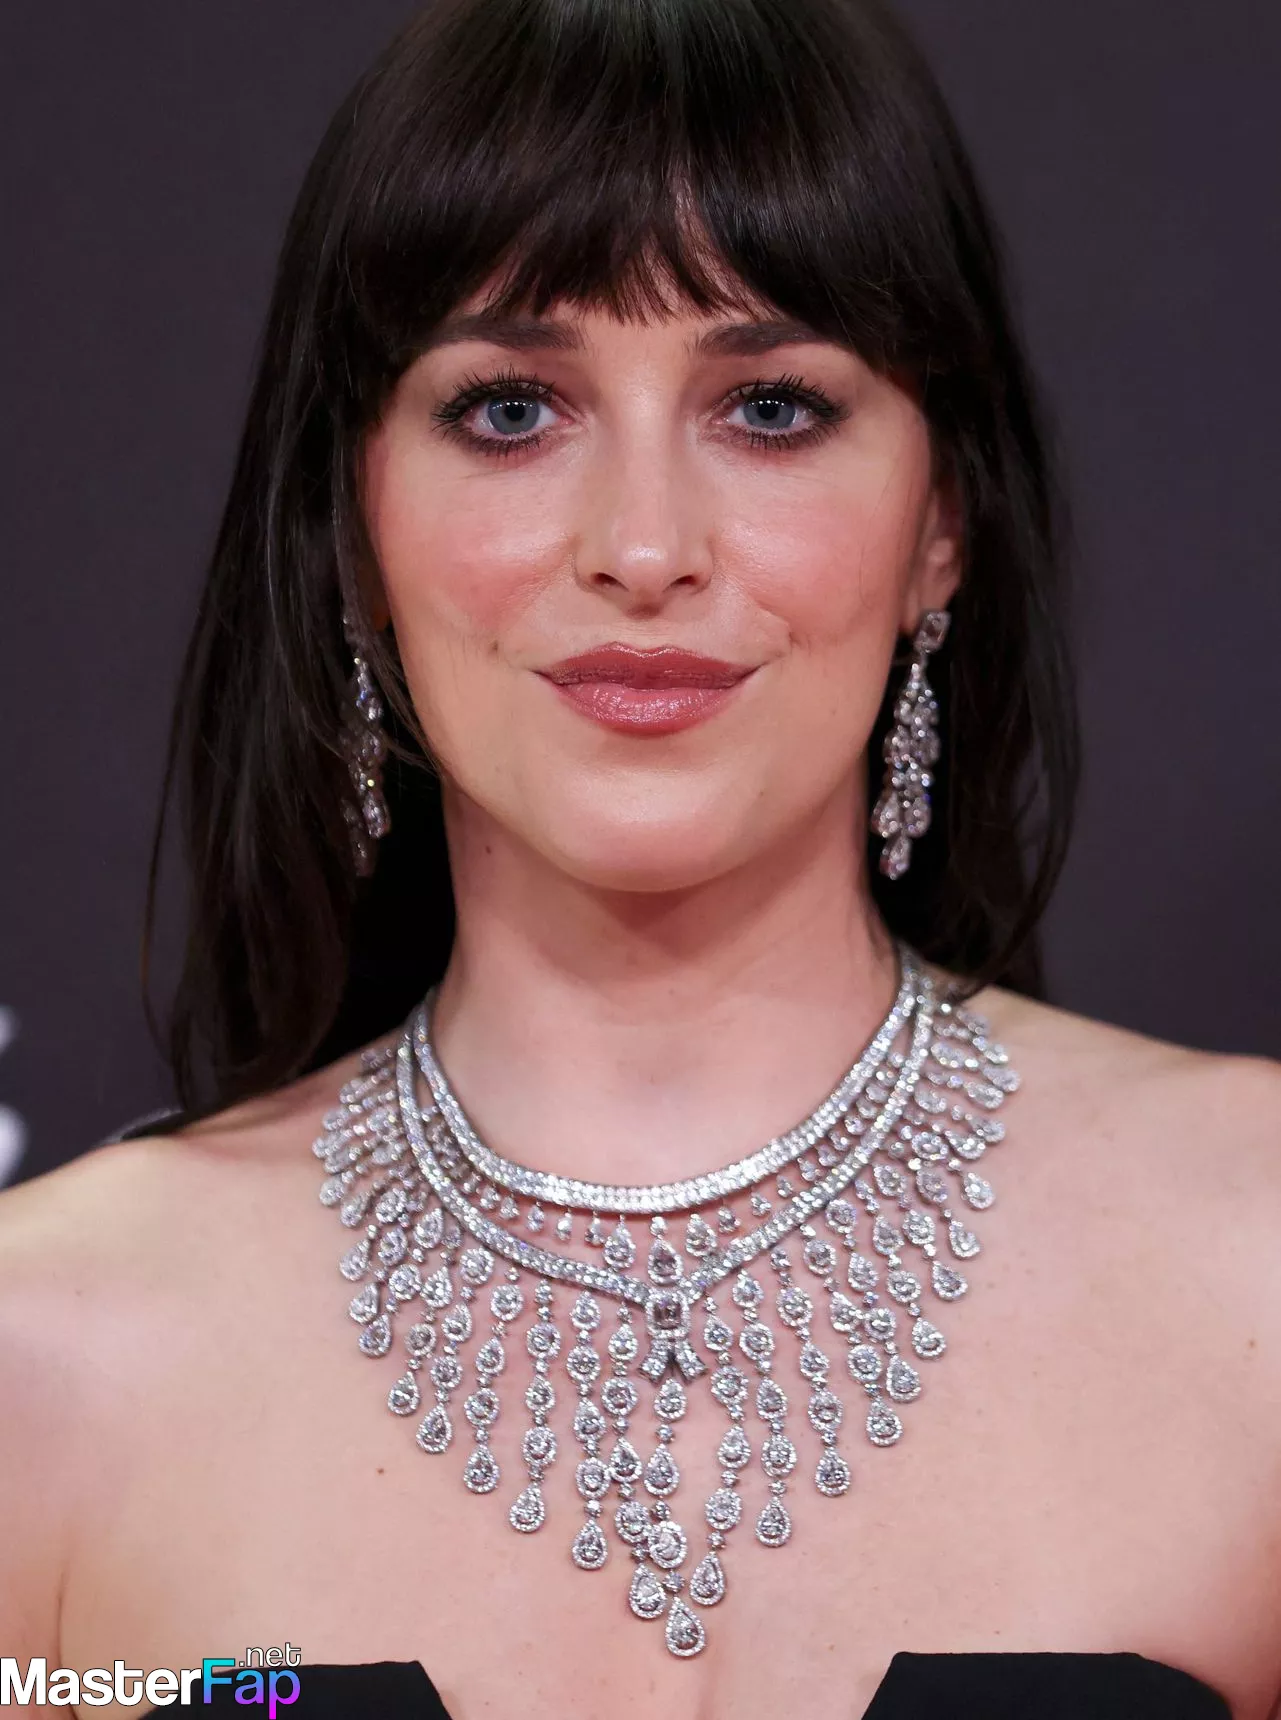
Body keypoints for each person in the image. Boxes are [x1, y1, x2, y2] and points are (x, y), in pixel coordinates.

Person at [1, 0, 1277, 1715]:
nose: (647, 546)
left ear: (942, 523)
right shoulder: (43, 1358)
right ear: (355, 529)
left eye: (773, 408)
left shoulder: (1257, 1264)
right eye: (511, 410)